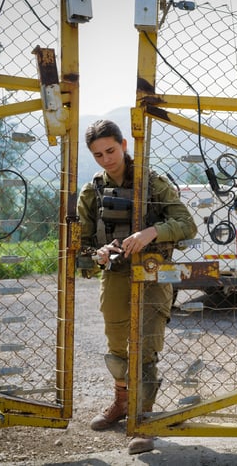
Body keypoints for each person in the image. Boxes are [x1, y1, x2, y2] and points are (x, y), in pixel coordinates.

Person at [77, 120, 196, 455]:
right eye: (98, 154)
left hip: (154, 273)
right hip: (115, 275)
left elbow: (187, 224)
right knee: (117, 347)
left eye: (110, 150)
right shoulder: (92, 191)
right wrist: (97, 254)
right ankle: (121, 404)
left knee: (145, 348)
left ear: (124, 144)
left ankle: (143, 421)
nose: (105, 159)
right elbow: (82, 246)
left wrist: (151, 233)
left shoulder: (153, 183)